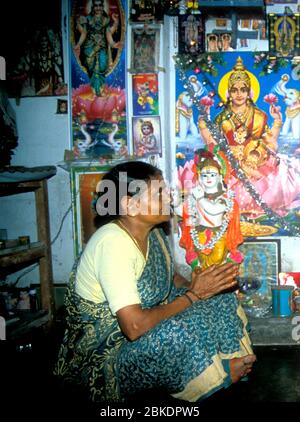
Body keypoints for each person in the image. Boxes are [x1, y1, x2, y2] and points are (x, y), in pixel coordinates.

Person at [54, 160, 255, 403]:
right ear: (130, 204)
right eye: (159, 192)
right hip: (103, 358)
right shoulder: (112, 243)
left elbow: (170, 278)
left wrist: (200, 285)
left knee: (219, 299)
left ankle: (229, 361)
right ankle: (215, 376)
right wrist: (193, 295)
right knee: (174, 332)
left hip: (142, 323)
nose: (169, 197)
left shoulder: (153, 232)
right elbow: (134, 327)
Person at [198, 56, 300, 218]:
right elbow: (212, 143)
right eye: (234, 90)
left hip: (255, 160)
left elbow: (269, 143)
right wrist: (203, 124)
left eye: (243, 89)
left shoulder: (259, 116)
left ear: (249, 92)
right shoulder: (222, 118)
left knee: (270, 181)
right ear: (229, 93)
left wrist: (277, 122)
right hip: (229, 162)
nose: (239, 94)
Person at [179, 147, 243, 270]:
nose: (208, 178)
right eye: (204, 175)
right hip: (199, 235)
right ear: (199, 177)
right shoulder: (195, 196)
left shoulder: (225, 197)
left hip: (218, 236)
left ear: (220, 177)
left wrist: (200, 199)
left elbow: (213, 210)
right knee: (202, 266)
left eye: (212, 175)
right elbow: (188, 215)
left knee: (216, 263)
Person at [74, 0, 122, 96]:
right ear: (93, 7)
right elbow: (84, 32)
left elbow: (108, 32)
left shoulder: (106, 19)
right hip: (89, 48)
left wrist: (112, 43)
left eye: (100, 5)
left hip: (102, 47)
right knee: (92, 69)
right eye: (96, 6)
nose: (98, 8)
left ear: (103, 6)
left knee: (102, 67)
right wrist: (78, 44)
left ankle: (100, 89)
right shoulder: (87, 19)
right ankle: (95, 91)